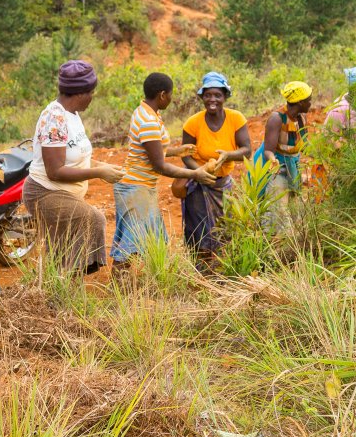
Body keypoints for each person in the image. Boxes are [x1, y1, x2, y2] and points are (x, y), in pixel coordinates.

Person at [22, 60, 123, 276]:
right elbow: (55, 171)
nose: (92, 98)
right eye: (91, 92)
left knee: (61, 251)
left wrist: (102, 166)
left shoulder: (73, 116)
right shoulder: (54, 118)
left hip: (64, 193)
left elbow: (76, 158)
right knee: (91, 218)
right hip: (45, 192)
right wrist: (98, 173)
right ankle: (62, 288)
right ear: (80, 93)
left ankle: (55, 296)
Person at [113, 73, 215, 277]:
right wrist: (195, 173)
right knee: (130, 244)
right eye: (170, 95)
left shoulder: (146, 112)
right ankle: (119, 288)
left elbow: (152, 149)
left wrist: (177, 151)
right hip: (135, 187)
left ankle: (144, 285)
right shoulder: (149, 120)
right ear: (161, 95)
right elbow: (159, 165)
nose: (171, 98)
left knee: (147, 239)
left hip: (141, 186)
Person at [179, 72, 251, 269]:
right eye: (208, 95)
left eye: (217, 95)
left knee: (224, 229)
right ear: (202, 97)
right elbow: (186, 155)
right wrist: (200, 172)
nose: (212, 100)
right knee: (199, 229)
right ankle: (200, 271)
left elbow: (247, 150)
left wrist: (227, 155)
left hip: (223, 184)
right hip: (198, 183)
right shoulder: (193, 123)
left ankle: (220, 269)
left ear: (225, 96)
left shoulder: (236, 119)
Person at [258, 81, 313, 218]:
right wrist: (273, 160)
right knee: (279, 210)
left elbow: (304, 145)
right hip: (279, 167)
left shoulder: (302, 117)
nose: (311, 103)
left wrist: (321, 153)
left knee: (295, 207)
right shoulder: (276, 119)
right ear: (300, 102)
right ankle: (275, 238)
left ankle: (294, 237)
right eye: (309, 100)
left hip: (294, 166)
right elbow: (268, 150)